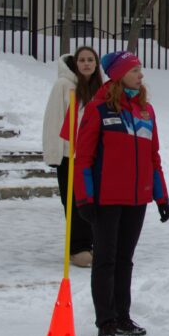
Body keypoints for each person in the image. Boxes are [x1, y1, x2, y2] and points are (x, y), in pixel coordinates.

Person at [71, 51, 169, 336]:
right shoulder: (98, 109)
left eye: (140, 70)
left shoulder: (145, 111)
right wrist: (84, 198)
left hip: (136, 200)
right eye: (134, 70)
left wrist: (160, 196)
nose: (141, 75)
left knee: (125, 260)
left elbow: (153, 158)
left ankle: (122, 316)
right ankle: (105, 322)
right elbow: (84, 158)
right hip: (106, 199)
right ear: (118, 75)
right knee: (105, 259)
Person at [42, 46, 102, 268]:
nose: (86, 64)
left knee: (92, 200)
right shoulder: (64, 86)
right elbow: (53, 119)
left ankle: (93, 243)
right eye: (82, 60)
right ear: (75, 63)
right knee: (74, 201)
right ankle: (78, 247)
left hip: (93, 155)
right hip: (70, 155)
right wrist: (54, 153)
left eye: (90, 60)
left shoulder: (101, 89)